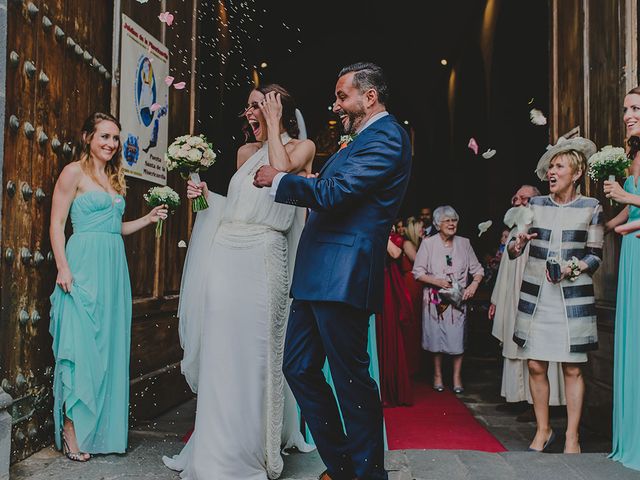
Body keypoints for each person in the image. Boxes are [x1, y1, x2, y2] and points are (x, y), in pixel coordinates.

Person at [253, 62, 411, 480]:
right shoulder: (358, 141)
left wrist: (277, 180)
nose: (336, 104)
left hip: (344, 274)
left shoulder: (388, 136)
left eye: (343, 96)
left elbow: (334, 193)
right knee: (298, 366)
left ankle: (367, 473)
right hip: (318, 273)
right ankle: (342, 466)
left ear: (369, 96)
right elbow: (335, 186)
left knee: (351, 380)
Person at [163, 84, 316, 479]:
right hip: (226, 256)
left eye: (259, 106)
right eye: (250, 107)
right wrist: (204, 196)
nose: (251, 113)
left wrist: (273, 122)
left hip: (264, 256)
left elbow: (279, 175)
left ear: (279, 108)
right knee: (222, 349)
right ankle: (216, 447)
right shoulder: (244, 153)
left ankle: (254, 447)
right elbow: (235, 208)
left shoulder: (302, 148)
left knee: (257, 351)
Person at [49, 112, 168, 461]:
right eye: (104, 136)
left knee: (108, 349)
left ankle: (102, 432)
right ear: (88, 137)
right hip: (83, 264)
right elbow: (57, 224)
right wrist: (62, 267)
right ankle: (72, 431)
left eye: (115, 138)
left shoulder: (115, 178)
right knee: (81, 345)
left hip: (113, 268)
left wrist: (147, 219)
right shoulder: (74, 172)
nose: (110, 144)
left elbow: (114, 228)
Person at [509, 137, 603, 454]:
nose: (552, 171)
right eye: (551, 166)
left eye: (559, 166)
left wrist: (573, 268)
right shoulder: (535, 206)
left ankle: (572, 436)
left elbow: (595, 256)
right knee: (536, 364)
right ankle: (543, 430)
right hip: (538, 298)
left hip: (571, 300)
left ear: (576, 173)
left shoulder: (591, 208)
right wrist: (517, 244)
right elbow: (511, 248)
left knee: (572, 368)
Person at [488, 185, 566, 417]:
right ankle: (517, 397)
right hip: (512, 294)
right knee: (514, 345)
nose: (519, 202)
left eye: (525, 199)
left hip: (538, 294)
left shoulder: (544, 226)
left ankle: (540, 402)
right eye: (516, 198)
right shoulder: (514, 230)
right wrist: (496, 300)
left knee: (536, 346)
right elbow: (504, 270)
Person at [604, 87, 640, 471]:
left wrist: (625, 199)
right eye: (626, 108)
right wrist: (602, 224)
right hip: (632, 251)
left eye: (636, 108)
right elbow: (626, 213)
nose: (628, 114)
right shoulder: (633, 154)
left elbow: (634, 202)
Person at [412, 206, 484, 394]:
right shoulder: (428, 244)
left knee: (457, 336)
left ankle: (456, 377)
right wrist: (437, 281)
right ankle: (437, 375)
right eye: (447, 221)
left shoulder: (464, 243)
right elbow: (417, 272)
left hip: (458, 300)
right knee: (435, 336)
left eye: (454, 220)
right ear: (437, 224)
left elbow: (478, 270)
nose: (452, 224)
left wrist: (473, 286)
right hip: (436, 300)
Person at [376, 229, 413, 406]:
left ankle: (388, 390)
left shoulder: (384, 233)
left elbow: (395, 252)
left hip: (385, 288)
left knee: (387, 335)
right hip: (366, 282)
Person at [400, 217, 424, 376]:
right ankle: (411, 366)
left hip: (417, 283)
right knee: (412, 323)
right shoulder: (408, 243)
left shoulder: (417, 244)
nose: (423, 230)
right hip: (411, 284)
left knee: (418, 323)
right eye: (421, 228)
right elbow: (418, 262)